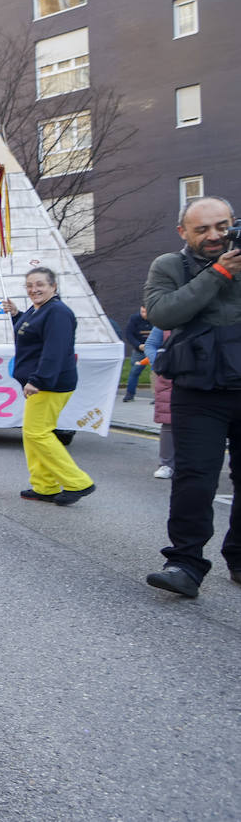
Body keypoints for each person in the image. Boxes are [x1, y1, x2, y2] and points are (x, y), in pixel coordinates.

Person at [142, 195, 241, 598]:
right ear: (183, 232)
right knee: (194, 480)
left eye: (222, 226)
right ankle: (185, 563)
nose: (214, 235)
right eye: (202, 229)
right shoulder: (169, 266)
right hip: (198, 393)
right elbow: (163, 313)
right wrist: (217, 272)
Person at [3, 267, 95, 506]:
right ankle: (45, 485)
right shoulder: (40, 310)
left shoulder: (57, 312)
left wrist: (38, 380)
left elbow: (55, 350)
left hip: (49, 384)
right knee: (32, 434)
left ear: (53, 286)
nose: (34, 289)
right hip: (42, 383)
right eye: (30, 285)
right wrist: (16, 314)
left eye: (40, 285)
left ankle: (77, 482)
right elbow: (30, 333)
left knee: (37, 433)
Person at [144, 326, 174, 479]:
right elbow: (150, 345)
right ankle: (166, 464)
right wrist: (160, 364)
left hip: (199, 377)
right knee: (168, 422)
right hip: (170, 377)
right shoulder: (165, 319)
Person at [121, 305, 150, 402]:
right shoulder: (134, 319)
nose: (144, 314)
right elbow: (129, 334)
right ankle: (130, 393)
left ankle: (158, 396)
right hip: (139, 350)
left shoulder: (157, 318)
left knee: (156, 373)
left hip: (153, 349)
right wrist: (138, 345)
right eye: (142, 312)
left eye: (146, 312)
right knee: (134, 371)